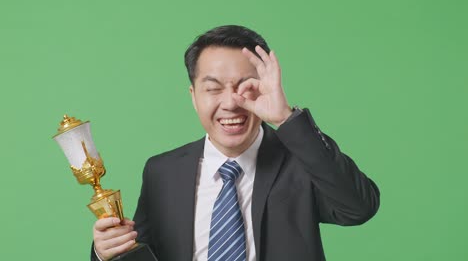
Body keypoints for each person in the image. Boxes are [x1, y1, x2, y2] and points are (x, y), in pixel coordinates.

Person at [91, 25, 380, 261]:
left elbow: (359, 207)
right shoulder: (161, 172)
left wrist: (285, 117)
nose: (231, 103)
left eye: (246, 88)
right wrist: (106, 252)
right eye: (214, 89)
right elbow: (139, 255)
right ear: (193, 96)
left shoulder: (300, 159)